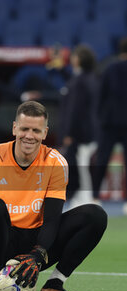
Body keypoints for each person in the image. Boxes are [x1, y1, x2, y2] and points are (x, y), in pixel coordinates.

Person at [0, 101, 107, 291]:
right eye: (24, 128)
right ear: (14, 128)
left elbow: (52, 219)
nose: (29, 135)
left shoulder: (55, 162)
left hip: (34, 245)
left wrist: (38, 255)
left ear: (45, 133)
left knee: (95, 216)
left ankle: (54, 285)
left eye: (36, 130)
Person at [58, 45, 98, 207]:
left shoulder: (80, 81)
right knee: (82, 165)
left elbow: (74, 110)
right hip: (86, 130)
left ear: (80, 59)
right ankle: (83, 197)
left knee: (82, 165)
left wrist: (68, 133)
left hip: (81, 132)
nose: (72, 58)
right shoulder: (87, 78)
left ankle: (86, 198)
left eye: (75, 56)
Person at [92, 37, 127, 215]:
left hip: (109, 123)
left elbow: (101, 96)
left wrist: (100, 119)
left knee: (102, 159)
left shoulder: (109, 68)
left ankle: (95, 197)